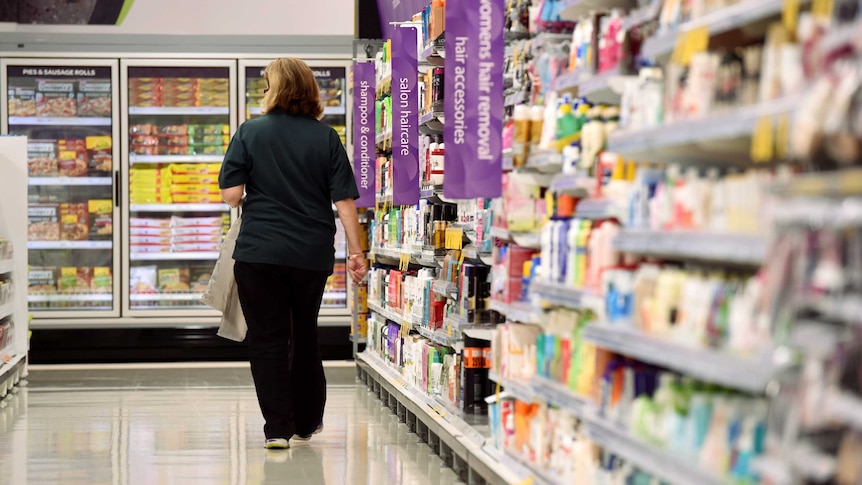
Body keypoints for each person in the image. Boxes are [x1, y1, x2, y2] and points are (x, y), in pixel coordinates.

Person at [218, 57, 367, 450]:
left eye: (266, 84)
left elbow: (232, 194)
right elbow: (345, 202)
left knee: (267, 339)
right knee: (304, 333)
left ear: (276, 89)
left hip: (259, 252)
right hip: (310, 253)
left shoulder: (250, 132)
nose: (264, 91)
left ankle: (276, 430)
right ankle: (306, 421)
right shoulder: (325, 137)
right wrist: (357, 253)